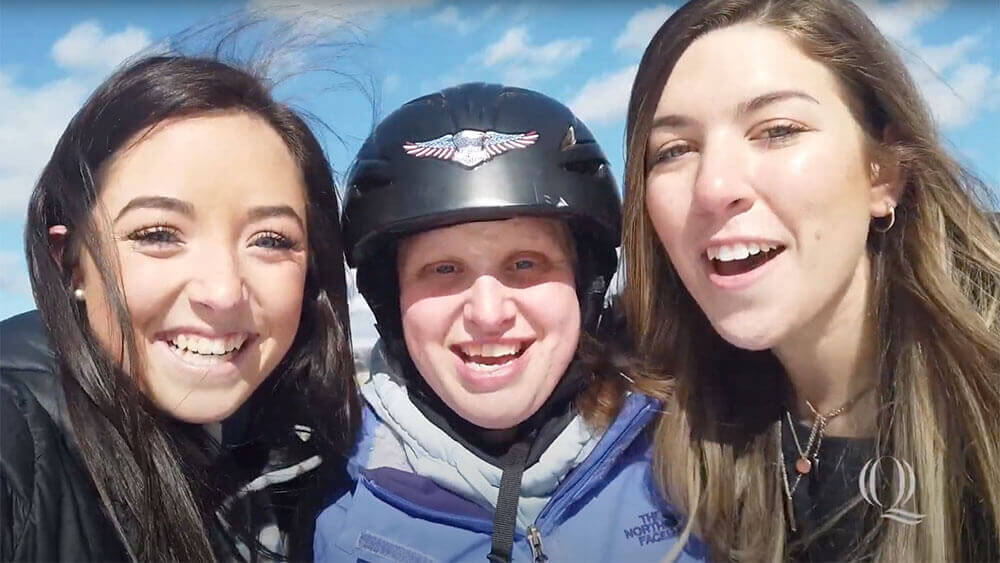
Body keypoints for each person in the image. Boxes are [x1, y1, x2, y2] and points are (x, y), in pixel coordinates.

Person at [620, 0, 1000, 561]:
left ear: (884, 173)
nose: (713, 187)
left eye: (777, 130)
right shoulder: (668, 425)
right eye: (674, 150)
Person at [313, 83, 703, 562]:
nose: (488, 314)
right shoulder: (324, 500)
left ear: (586, 284)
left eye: (524, 264)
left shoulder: (697, 453)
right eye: (444, 269)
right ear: (390, 302)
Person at [0, 55, 359, 561]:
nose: (223, 292)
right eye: (158, 234)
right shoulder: (17, 435)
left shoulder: (313, 447)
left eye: (271, 240)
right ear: (70, 264)